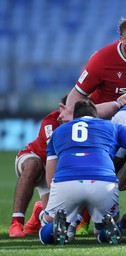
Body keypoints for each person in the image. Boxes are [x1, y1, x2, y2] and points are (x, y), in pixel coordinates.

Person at [39, 99, 126, 245]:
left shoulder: (58, 132)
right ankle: (106, 229)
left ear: (74, 117)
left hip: (67, 182)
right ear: (96, 116)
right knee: (106, 225)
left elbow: (50, 177)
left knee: (45, 224)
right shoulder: (113, 126)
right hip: (102, 182)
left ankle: (60, 226)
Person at [8, 95, 67, 238]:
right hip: (37, 159)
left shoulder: (82, 123)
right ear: (62, 109)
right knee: (33, 165)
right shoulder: (51, 121)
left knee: (52, 226)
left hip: (57, 169)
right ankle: (17, 222)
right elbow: (57, 151)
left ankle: (39, 212)